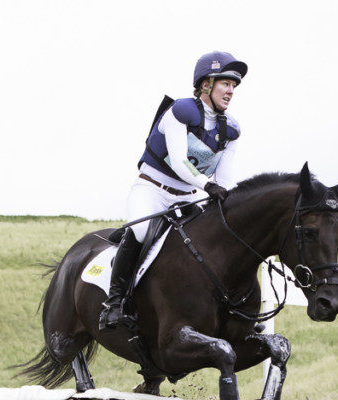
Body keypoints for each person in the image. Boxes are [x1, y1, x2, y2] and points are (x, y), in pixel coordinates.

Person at [99, 50, 247, 330]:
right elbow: (179, 161)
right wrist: (208, 185)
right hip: (152, 189)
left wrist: (223, 196)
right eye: (225, 84)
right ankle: (114, 303)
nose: (231, 91)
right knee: (141, 231)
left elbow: (224, 178)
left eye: (234, 86)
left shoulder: (231, 130)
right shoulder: (181, 111)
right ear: (206, 84)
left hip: (187, 196)